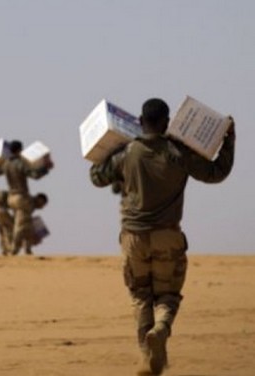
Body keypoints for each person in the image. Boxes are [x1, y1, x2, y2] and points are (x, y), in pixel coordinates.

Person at [89, 98, 235, 375]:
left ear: (140, 122)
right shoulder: (179, 153)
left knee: (140, 295)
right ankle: (161, 328)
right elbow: (217, 172)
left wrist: (110, 149)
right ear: (167, 123)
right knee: (167, 295)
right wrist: (229, 142)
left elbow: (97, 177)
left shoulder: (127, 153)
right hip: (168, 235)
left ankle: (147, 353)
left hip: (134, 237)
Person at [0, 140, 52, 255]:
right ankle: (14, 249)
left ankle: (28, 248)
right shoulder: (20, 163)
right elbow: (34, 175)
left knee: (26, 223)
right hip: (21, 197)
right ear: (20, 150)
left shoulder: (6, 164)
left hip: (11, 198)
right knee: (20, 225)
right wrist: (45, 168)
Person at [0, 189, 48, 255]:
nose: (42, 207)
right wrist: (32, 238)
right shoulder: (30, 203)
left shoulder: (28, 199)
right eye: (43, 204)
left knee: (3, 226)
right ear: (40, 200)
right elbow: (22, 224)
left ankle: (4, 250)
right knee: (11, 227)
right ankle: (10, 249)